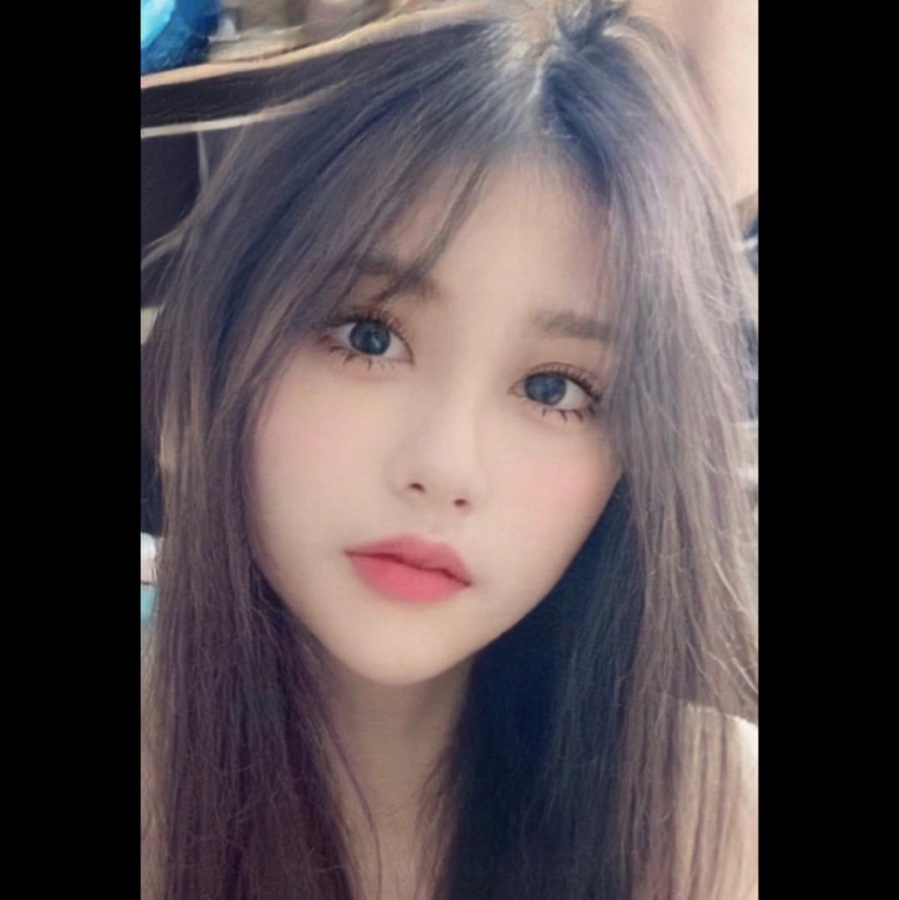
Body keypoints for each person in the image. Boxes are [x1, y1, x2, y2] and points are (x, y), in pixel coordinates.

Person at [140, 1, 758, 898]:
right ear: (194, 388)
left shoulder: (716, 819)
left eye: (554, 390)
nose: (446, 468)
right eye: (369, 337)